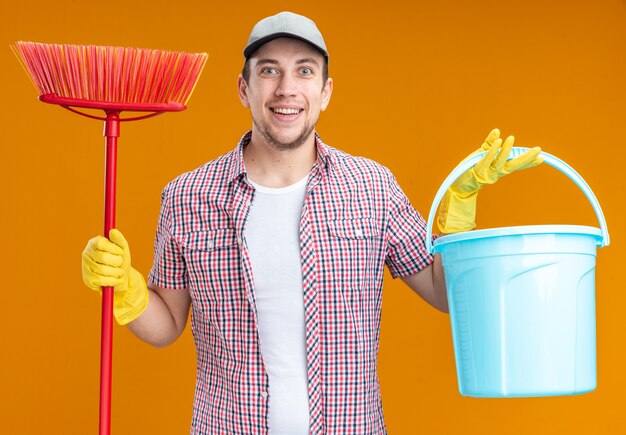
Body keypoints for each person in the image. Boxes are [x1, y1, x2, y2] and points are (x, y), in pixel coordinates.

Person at [81, 11, 542, 435]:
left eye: (304, 70)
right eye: (269, 70)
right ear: (244, 88)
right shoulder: (188, 196)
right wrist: (127, 290)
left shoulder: (372, 187)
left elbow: (446, 294)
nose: (286, 88)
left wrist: (458, 210)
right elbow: (166, 327)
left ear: (325, 91)